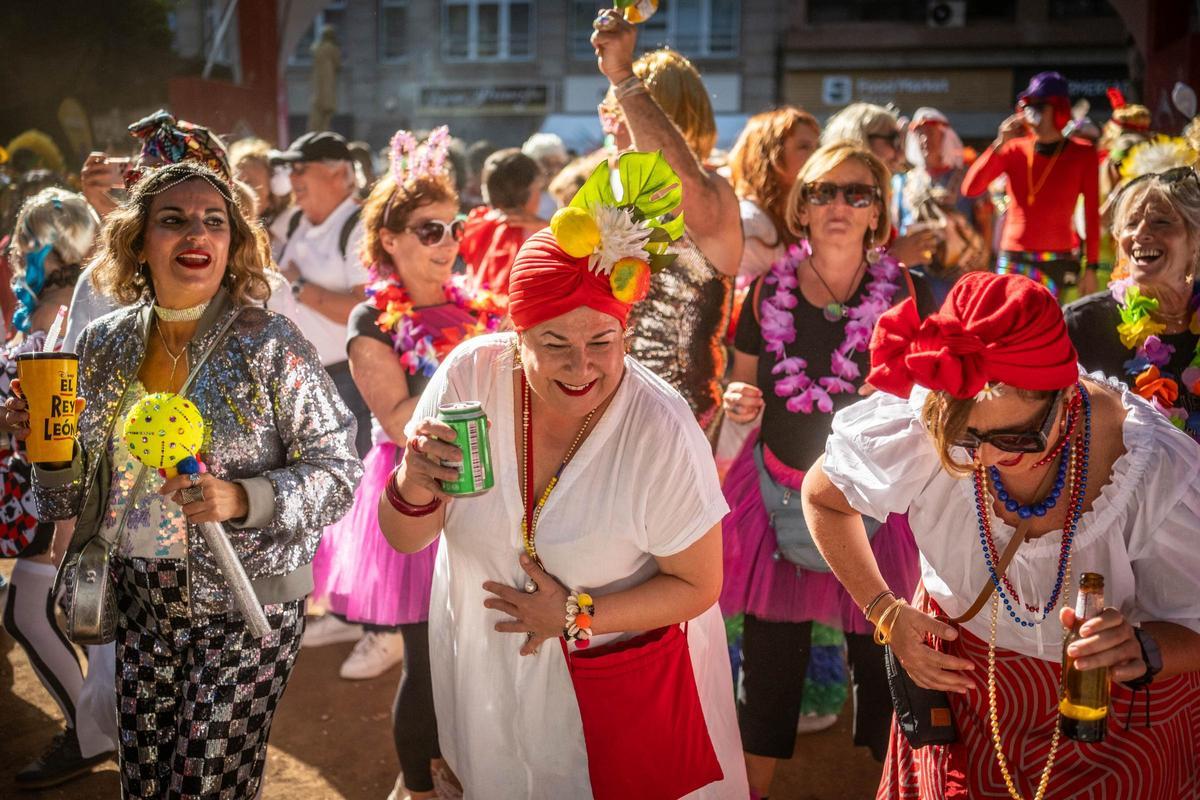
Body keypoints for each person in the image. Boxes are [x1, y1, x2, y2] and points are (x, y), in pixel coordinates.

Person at [377, 153, 746, 798]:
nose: (582, 367)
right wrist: (413, 479)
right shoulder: (469, 378)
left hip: (616, 682)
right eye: (554, 345)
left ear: (624, 332)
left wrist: (576, 615)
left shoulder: (657, 428)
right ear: (516, 336)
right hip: (488, 676)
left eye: (602, 341)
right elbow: (407, 539)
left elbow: (699, 583)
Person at [16, 161, 361, 798]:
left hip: (248, 601)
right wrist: (46, 445)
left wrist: (245, 498)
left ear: (233, 243)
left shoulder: (269, 342)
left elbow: (338, 471)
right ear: (138, 241)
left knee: (204, 783)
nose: (194, 234)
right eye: (172, 220)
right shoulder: (101, 345)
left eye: (214, 221)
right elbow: (64, 499)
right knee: (146, 783)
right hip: (142, 600)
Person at [802, 271, 1200, 799]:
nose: (989, 458)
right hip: (964, 704)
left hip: (1115, 727)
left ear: (1065, 395)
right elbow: (822, 497)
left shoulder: (1155, 469)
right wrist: (886, 613)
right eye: (968, 438)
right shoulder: (924, 427)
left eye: (1017, 436)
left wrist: (1143, 648)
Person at [721, 142, 930, 797]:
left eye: (857, 193)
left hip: (875, 504)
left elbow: (935, 393)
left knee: (887, 676)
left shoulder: (908, 294)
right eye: (822, 192)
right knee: (768, 679)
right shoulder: (763, 293)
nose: (838, 204)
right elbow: (740, 383)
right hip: (779, 494)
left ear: (877, 214)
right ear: (801, 208)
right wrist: (737, 398)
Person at [309, 127, 503, 798]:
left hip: (488, 492)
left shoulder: (477, 307)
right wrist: (472, 369)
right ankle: (419, 789)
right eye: (429, 230)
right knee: (428, 663)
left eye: (453, 228)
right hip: (414, 498)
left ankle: (451, 775)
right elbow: (397, 419)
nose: (447, 242)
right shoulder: (374, 320)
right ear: (389, 239)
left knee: (478, 655)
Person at [0, 189, 117, 788]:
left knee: (37, 611)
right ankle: (96, 728)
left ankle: (96, 732)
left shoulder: (61, 309)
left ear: (41, 248)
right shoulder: (75, 297)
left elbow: (56, 422)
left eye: (22, 244)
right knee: (34, 611)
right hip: (59, 490)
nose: (16, 256)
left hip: (58, 492)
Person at [591, 12, 743, 438]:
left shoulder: (711, 195)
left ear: (664, 118)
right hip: (602, 422)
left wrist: (623, 75)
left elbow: (680, 181)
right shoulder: (610, 193)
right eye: (608, 106)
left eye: (619, 106)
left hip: (681, 430)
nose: (610, 118)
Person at [1064, 167, 1200, 442]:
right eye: (1130, 223)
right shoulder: (1080, 325)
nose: (1141, 234)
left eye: (1161, 222)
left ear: (1195, 239)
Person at [271, 130, 373, 456]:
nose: (293, 177)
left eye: (302, 168)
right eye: (290, 170)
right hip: (299, 381)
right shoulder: (295, 220)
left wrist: (300, 286)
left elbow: (366, 311)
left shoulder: (359, 225)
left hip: (347, 382)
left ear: (340, 173)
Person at [962, 71, 1101, 299]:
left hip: (1059, 258)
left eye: (1040, 106)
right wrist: (999, 143)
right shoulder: (1013, 148)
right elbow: (971, 189)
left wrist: (1092, 268)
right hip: (1014, 255)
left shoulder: (1083, 153)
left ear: (1058, 109)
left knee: (1050, 327)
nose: (1032, 113)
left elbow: (1091, 214)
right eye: (1027, 105)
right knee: (1008, 327)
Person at [821, 103, 943, 272]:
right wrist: (896, 256)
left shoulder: (876, 197)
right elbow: (835, 276)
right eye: (893, 140)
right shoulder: (830, 199)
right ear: (859, 138)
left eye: (901, 143)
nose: (901, 156)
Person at [893, 108, 990, 305]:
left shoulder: (968, 176)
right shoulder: (903, 182)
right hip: (914, 274)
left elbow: (985, 223)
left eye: (931, 134)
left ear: (946, 137)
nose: (925, 140)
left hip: (959, 276)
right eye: (919, 134)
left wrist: (982, 268)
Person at [728, 106, 821, 288]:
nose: (817, 155)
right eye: (804, 147)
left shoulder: (806, 214)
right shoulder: (750, 223)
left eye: (818, 147)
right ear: (770, 156)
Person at [460, 147, 547, 295]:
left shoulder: (478, 221)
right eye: (537, 187)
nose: (540, 194)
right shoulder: (535, 236)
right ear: (525, 191)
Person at [522, 132, 570, 219]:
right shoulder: (523, 193)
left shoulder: (566, 193)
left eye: (557, 163)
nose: (553, 169)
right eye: (547, 163)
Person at [309, 25, 341, 133]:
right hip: (328, 84)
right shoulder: (332, 48)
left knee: (318, 111)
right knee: (327, 112)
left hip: (318, 85)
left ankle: (318, 131)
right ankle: (323, 131)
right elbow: (338, 64)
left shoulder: (317, 48)